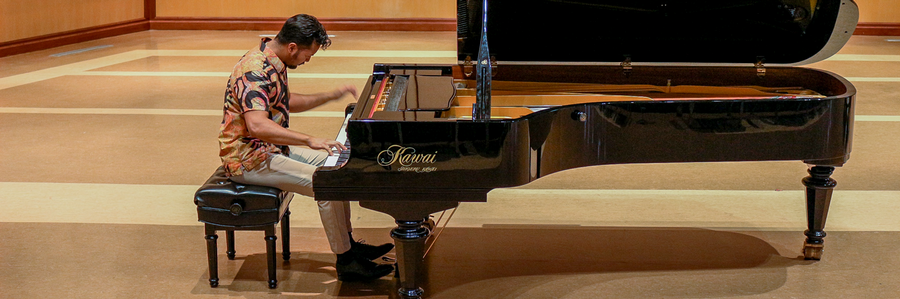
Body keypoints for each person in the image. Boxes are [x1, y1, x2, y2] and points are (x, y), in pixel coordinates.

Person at [218, 14, 394, 281]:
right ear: (292, 47)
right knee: (327, 185)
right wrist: (309, 139)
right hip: (248, 158)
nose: (306, 60)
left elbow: (285, 101)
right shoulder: (253, 69)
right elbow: (257, 125)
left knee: (338, 166)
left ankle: (350, 245)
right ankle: (346, 262)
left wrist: (331, 95)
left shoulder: (272, 59)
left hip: (270, 149)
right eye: (306, 55)